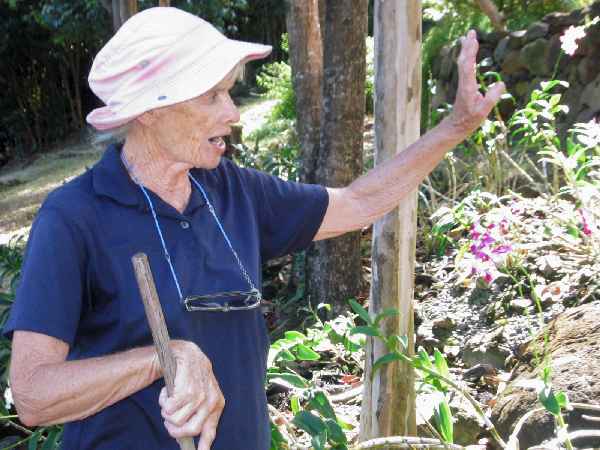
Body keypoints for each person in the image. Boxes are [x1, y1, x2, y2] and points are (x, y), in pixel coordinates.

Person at [3, 6, 504, 450]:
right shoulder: (74, 218)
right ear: (151, 111)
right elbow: (32, 395)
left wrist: (455, 128)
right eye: (212, 96)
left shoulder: (231, 190)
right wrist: (163, 358)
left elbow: (358, 203)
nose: (233, 113)